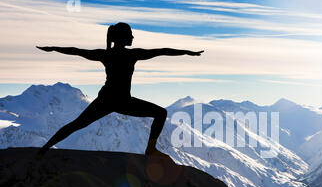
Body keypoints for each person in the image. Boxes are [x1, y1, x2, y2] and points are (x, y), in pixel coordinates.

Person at [36, 22, 203, 157]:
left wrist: (52, 48)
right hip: (123, 101)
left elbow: (76, 51)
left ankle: (44, 148)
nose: (132, 37)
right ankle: (151, 149)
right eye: (130, 34)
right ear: (123, 37)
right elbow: (162, 51)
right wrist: (188, 53)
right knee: (161, 113)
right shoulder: (132, 55)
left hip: (106, 100)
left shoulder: (106, 54)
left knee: (76, 125)